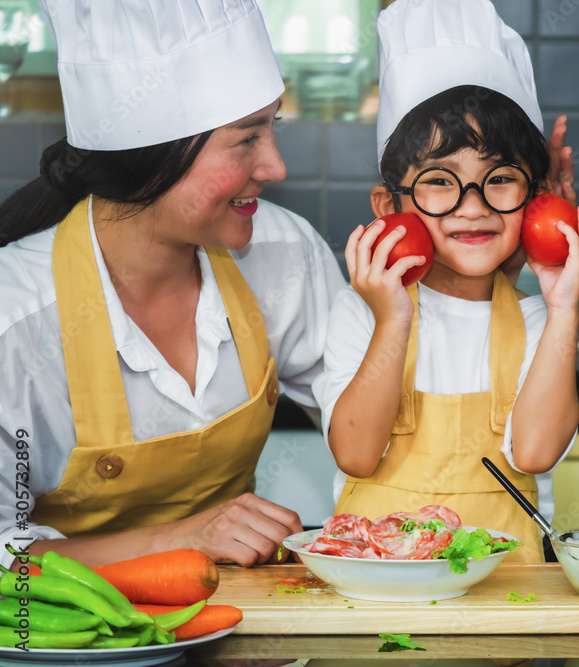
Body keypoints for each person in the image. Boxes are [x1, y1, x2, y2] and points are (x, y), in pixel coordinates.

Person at [0, 0, 350, 568]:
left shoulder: (285, 254)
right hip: (56, 644)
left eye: (273, 126)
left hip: (237, 636)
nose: (275, 167)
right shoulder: (15, 319)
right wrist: (178, 540)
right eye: (246, 138)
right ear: (151, 158)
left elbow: (373, 426)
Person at [314, 0, 579, 562]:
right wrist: (392, 318)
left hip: (507, 605)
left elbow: (536, 452)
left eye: (499, 179)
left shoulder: (536, 319)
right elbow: (355, 454)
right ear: (390, 206)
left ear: (534, 195)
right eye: (438, 182)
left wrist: (566, 306)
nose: (472, 208)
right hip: (377, 600)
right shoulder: (361, 311)